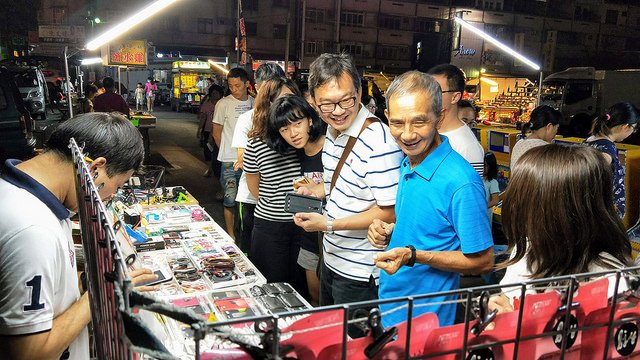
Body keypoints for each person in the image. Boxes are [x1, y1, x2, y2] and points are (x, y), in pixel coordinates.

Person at [0, 113, 158, 360]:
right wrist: (104, 293)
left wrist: (87, 282)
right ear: (95, 168)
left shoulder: (27, 197)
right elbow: (29, 353)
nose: (109, 197)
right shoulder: (32, 231)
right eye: (116, 186)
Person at [368, 70, 493, 328]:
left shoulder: (460, 181)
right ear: (387, 117)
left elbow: (484, 260)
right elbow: (428, 229)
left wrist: (414, 256)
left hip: (426, 323)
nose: (408, 135)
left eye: (419, 122)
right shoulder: (409, 161)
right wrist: (391, 231)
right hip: (391, 306)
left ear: (439, 117)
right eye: (398, 123)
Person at [294, 53, 404, 308]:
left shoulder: (380, 142)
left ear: (359, 90)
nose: (339, 111)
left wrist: (329, 224)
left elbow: (390, 211)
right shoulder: (332, 132)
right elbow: (342, 186)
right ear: (312, 101)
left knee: (355, 345)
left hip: (361, 271)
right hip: (332, 259)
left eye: (347, 100)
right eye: (327, 105)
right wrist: (317, 191)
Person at [490, 144, 633, 312]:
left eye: (524, 202)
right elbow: (510, 296)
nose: (515, 208)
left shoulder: (611, 284)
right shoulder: (529, 247)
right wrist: (502, 306)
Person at [243, 80, 305, 290]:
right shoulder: (255, 143)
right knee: (271, 287)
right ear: (267, 105)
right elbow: (254, 189)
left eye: (291, 99)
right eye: (279, 100)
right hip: (270, 227)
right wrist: (279, 204)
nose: (285, 106)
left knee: (301, 288)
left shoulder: (305, 140)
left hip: (305, 225)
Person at [267, 95, 326, 306]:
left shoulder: (332, 148)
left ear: (310, 119)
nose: (292, 134)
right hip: (310, 235)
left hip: (336, 233)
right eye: (284, 130)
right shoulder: (295, 155)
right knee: (314, 295)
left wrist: (318, 189)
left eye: (297, 124)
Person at [231, 62, 286, 252]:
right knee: (250, 249)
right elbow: (242, 157)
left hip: (283, 205)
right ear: (256, 88)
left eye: (276, 89)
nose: (271, 96)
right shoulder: (247, 119)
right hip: (251, 199)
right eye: (266, 89)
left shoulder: (290, 116)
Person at [212, 68, 254, 240]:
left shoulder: (254, 102)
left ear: (247, 84)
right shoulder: (223, 104)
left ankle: (244, 232)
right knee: (230, 198)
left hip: (250, 160)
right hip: (229, 160)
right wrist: (227, 152)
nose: (234, 89)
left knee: (245, 200)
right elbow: (216, 131)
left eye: (238, 85)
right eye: (231, 86)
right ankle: (231, 235)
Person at [585, 102, 639, 219]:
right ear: (626, 126)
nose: (632, 133)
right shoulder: (607, 147)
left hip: (593, 212)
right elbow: (592, 166)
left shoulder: (590, 140)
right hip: (604, 216)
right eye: (633, 129)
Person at [427, 64, 484, 175]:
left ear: (455, 97)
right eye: (427, 90)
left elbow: (471, 191)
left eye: (436, 91)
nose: (428, 96)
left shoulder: (467, 146)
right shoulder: (429, 131)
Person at [510, 105, 561, 169]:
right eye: (556, 128)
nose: (555, 133)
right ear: (549, 127)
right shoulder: (546, 149)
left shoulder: (519, 144)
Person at [483, 152, 500, 222]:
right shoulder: (478, 179)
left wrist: (481, 207)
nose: (483, 168)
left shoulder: (492, 182)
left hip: (485, 217)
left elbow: (495, 200)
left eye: (485, 165)